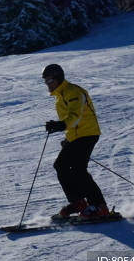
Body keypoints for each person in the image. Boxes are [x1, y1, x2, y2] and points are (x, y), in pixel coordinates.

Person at [42, 63, 110, 220]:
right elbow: (72, 120)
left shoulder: (73, 91)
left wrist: (60, 125)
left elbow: (76, 115)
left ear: (58, 78)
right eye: (45, 81)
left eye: (50, 80)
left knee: (79, 169)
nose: (48, 84)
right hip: (77, 136)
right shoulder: (60, 95)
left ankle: (100, 206)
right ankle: (78, 203)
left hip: (88, 134)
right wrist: (68, 137)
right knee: (60, 165)